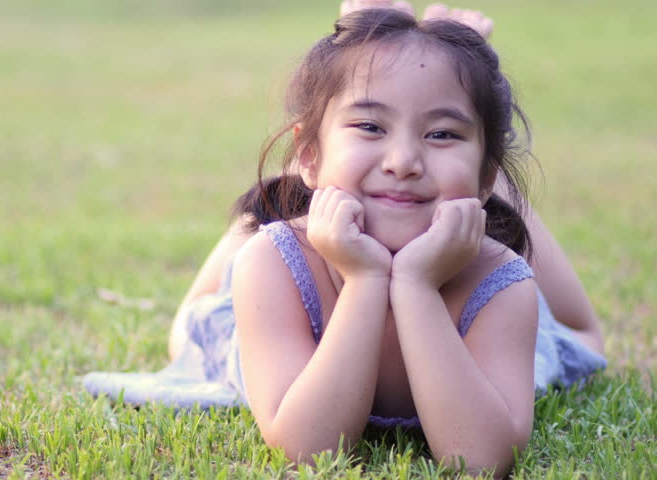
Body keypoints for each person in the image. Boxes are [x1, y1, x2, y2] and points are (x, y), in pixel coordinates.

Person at [84, 3, 607, 476]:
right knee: (190, 327)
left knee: (582, 342)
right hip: (293, 255)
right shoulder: (272, 262)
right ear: (307, 154)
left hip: (467, 212)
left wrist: (419, 287)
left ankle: (438, 93)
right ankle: (299, 176)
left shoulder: (499, 283)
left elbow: (481, 460)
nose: (404, 161)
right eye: (370, 126)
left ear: (488, 174)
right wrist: (364, 279)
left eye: (442, 133)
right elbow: (309, 450)